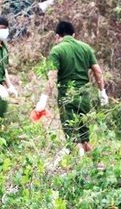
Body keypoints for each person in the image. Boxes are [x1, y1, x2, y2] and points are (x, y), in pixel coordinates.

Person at [35, 21, 108, 154]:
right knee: (84, 137)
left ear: (57, 36)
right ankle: (96, 166)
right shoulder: (86, 48)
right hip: (84, 97)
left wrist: (43, 100)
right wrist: (102, 92)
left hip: (67, 97)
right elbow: (98, 71)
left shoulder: (57, 50)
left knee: (73, 139)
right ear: (73, 34)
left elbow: (52, 77)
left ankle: (80, 167)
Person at [0, 17, 18, 117]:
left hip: (1, 87)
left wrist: (9, 86)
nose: (3, 31)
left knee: (1, 118)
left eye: (5, 28)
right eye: (0, 28)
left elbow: (3, 69)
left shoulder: (3, 47)